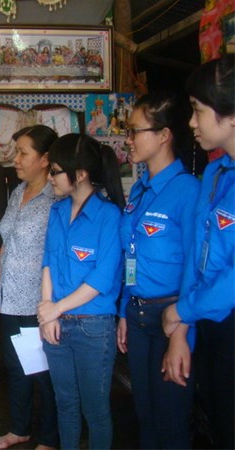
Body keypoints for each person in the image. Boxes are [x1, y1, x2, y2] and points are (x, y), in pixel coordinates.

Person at [116, 91, 199, 449]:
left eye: (135, 131)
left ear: (164, 135)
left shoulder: (188, 192)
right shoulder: (139, 190)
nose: (128, 140)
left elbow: (196, 267)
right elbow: (130, 256)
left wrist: (181, 332)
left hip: (172, 320)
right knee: (145, 415)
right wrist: (124, 310)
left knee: (171, 420)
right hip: (137, 318)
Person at [162, 53, 235, 450]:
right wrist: (182, 330)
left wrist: (182, 311)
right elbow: (196, 254)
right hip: (208, 325)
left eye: (198, 110)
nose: (191, 123)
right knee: (217, 424)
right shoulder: (215, 173)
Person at [37, 133, 125, 450]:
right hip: (57, 324)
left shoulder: (108, 215)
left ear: (82, 173)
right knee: (66, 404)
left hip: (93, 327)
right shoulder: (57, 212)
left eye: (55, 171)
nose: (50, 178)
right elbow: (48, 262)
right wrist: (47, 311)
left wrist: (56, 308)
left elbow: (102, 278)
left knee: (95, 410)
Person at [0, 125, 60, 450]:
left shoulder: (56, 197)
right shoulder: (18, 192)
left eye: (22, 153)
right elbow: (8, 242)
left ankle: (50, 437)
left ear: (44, 159)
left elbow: (58, 254)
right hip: (10, 298)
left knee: (42, 373)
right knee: (17, 367)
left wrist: (51, 303)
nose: (15, 159)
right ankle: (19, 429)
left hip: (37, 302)